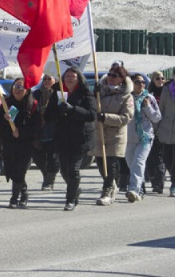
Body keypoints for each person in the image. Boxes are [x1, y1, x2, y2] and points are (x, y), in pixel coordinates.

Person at [45, 68, 97, 210]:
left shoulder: (85, 93)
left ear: (78, 78)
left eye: (72, 76)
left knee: (74, 169)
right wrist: (58, 110)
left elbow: (92, 114)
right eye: (66, 76)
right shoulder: (58, 92)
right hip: (63, 137)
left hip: (81, 138)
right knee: (64, 170)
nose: (69, 78)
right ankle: (75, 190)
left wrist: (73, 109)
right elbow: (48, 115)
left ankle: (70, 200)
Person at [92, 65, 132, 206]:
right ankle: (112, 184)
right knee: (100, 164)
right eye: (109, 74)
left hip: (116, 135)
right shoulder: (100, 92)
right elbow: (92, 108)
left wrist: (106, 117)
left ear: (121, 79)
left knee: (111, 163)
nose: (110, 77)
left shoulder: (126, 96)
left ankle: (107, 191)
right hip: (100, 133)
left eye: (114, 75)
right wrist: (93, 93)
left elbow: (126, 118)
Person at [2, 78, 39, 208]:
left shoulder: (33, 104)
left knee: (20, 170)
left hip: (25, 144)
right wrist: (4, 118)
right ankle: (24, 192)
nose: (18, 90)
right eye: (15, 87)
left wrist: (21, 132)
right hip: (9, 143)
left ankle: (14, 198)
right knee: (12, 171)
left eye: (21, 87)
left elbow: (37, 126)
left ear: (27, 90)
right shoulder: (6, 103)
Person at [125, 73, 161, 202]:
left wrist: (147, 107)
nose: (141, 85)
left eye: (143, 82)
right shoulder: (127, 98)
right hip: (128, 137)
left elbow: (157, 118)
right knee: (131, 164)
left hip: (145, 137)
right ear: (131, 84)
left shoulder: (149, 98)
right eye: (137, 82)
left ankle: (133, 189)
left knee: (138, 163)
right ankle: (140, 188)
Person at [32, 74, 60, 191]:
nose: (47, 81)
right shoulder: (37, 93)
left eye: (50, 79)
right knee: (38, 155)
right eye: (45, 79)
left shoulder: (59, 93)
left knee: (52, 156)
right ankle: (45, 174)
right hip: (39, 128)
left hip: (53, 128)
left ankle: (49, 180)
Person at [145, 71, 166, 194]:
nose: (161, 80)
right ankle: (153, 180)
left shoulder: (168, 93)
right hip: (150, 128)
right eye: (158, 78)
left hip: (163, 129)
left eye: (163, 78)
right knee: (150, 157)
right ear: (153, 80)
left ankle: (159, 183)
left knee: (159, 157)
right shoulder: (149, 94)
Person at [156, 71, 175, 197]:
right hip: (167, 128)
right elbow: (160, 109)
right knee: (167, 158)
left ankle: (174, 183)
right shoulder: (166, 89)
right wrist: (157, 128)